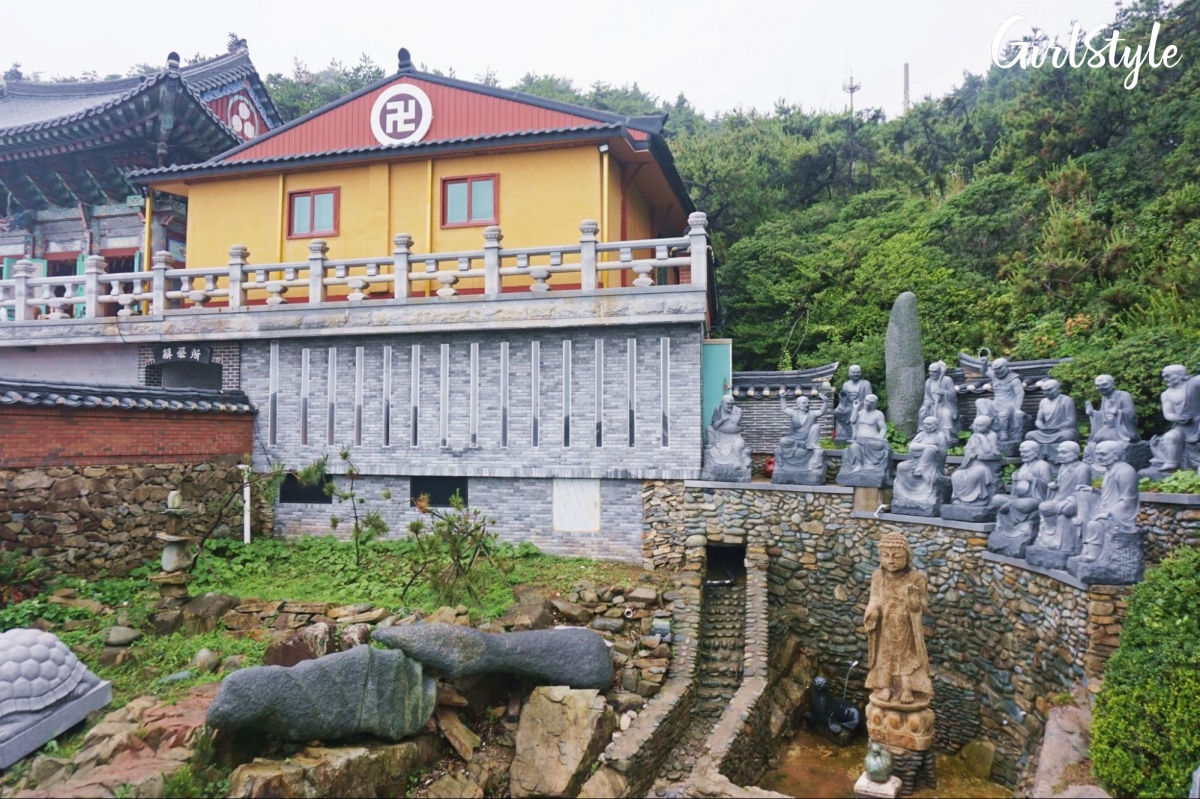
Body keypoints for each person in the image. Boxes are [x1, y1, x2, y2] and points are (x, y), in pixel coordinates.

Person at [864, 533, 933, 706]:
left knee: (905, 657)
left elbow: (923, 605)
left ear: (907, 557)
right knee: (885, 656)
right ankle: (885, 686)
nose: (891, 561)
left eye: (897, 556)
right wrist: (872, 611)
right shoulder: (878, 577)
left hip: (906, 625)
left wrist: (914, 604)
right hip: (885, 624)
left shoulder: (916, 578)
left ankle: (907, 687)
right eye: (885, 556)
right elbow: (875, 599)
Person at [893, 416, 949, 512]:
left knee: (930, 450)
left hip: (932, 463)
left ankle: (920, 470)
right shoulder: (921, 435)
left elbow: (943, 452)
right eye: (925, 424)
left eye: (929, 424)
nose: (926, 426)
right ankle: (905, 496)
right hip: (915, 461)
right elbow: (912, 446)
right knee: (901, 466)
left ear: (936, 425)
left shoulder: (940, 436)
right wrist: (927, 446)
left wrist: (931, 449)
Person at [773, 388, 827, 483]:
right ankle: (800, 444)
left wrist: (825, 402)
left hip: (808, 440)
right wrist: (782, 398)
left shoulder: (812, 414)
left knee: (816, 426)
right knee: (783, 441)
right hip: (794, 439)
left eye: (808, 403)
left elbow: (821, 412)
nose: (807, 405)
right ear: (798, 405)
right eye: (804, 403)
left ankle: (808, 445)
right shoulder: (794, 413)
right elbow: (784, 409)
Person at [949, 416, 1002, 507]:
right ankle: (959, 498)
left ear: (987, 426)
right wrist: (970, 453)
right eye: (974, 425)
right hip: (970, 464)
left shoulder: (992, 435)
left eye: (979, 425)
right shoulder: (974, 436)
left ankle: (977, 499)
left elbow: (990, 451)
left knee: (976, 474)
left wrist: (982, 438)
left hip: (983, 465)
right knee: (956, 475)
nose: (975, 427)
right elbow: (967, 449)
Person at [1024, 379, 1080, 461]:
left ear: (1057, 388)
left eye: (1049, 390)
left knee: (1067, 436)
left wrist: (1057, 427)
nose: (1046, 393)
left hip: (1061, 430)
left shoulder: (1066, 400)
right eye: (1044, 391)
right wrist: (1042, 427)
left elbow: (1071, 420)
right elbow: (1038, 420)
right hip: (1046, 431)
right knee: (1029, 435)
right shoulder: (1043, 402)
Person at [918, 361, 958, 439]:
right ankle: (922, 435)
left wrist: (943, 392)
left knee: (946, 414)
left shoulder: (947, 380)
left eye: (934, 372)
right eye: (930, 372)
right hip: (932, 405)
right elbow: (927, 397)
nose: (931, 374)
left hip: (945, 405)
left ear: (940, 372)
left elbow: (953, 394)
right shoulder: (928, 382)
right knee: (922, 413)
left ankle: (947, 436)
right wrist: (925, 405)